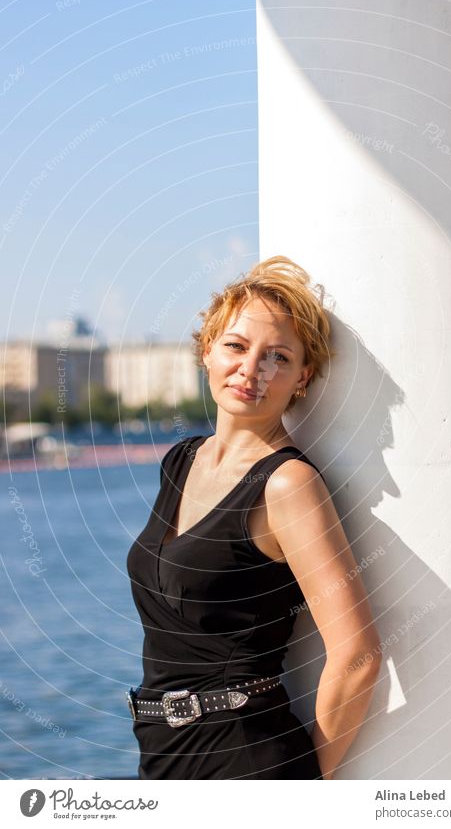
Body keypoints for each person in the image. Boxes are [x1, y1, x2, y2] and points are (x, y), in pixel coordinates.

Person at [126, 255, 382, 779]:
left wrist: (308, 786)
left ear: (302, 378)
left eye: (278, 357)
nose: (251, 370)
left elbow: (358, 656)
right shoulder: (181, 461)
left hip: (246, 759)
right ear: (207, 351)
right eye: (237, 346)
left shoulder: (288, 485)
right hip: (162, 755)